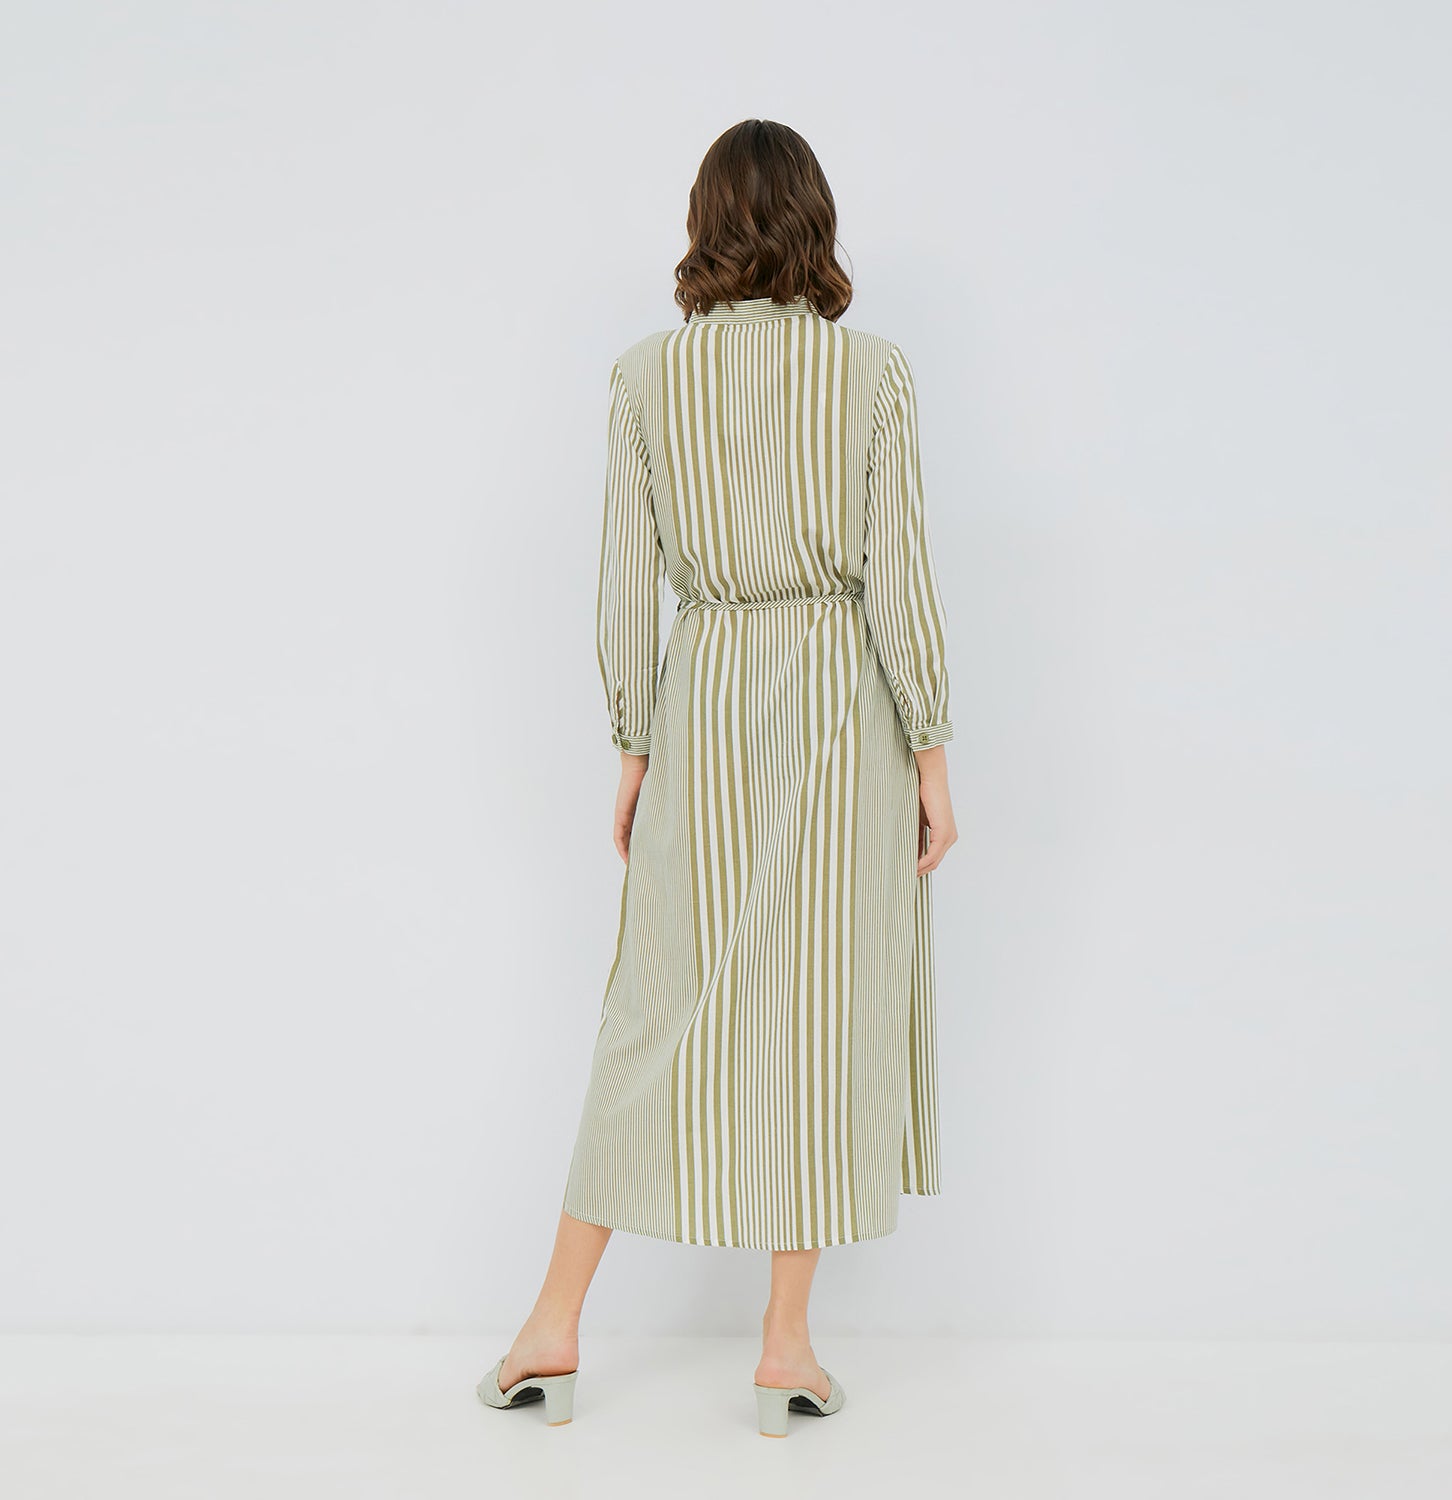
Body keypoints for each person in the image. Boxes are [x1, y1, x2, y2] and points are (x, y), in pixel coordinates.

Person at [477, 118, 958, 1437]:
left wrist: (636, 746)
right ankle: (784, 1350)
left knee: (652, 1013)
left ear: (705, 223)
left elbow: (626, 582)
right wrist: (931, 752)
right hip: (841, 709)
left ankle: (551, 1324)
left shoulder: (646, 377)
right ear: (814, 219)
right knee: (819, 1013)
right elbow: (899, 577)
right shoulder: (871, 373)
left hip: (702, 703)